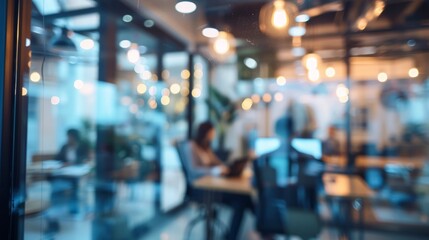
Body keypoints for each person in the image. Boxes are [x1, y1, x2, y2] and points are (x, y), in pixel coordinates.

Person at [190, 121, 253, 240]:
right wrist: (212, 171)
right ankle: (233, 236)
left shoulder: (206, 147)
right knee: (241, 200)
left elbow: (217, 162)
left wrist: (228, 168)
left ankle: (264, 224)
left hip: (212, 185)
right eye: (211, 132)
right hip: (201, 189)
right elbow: (194, 170)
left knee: (244, 198)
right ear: (205, 132)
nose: (213, 135)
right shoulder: (192, 146)